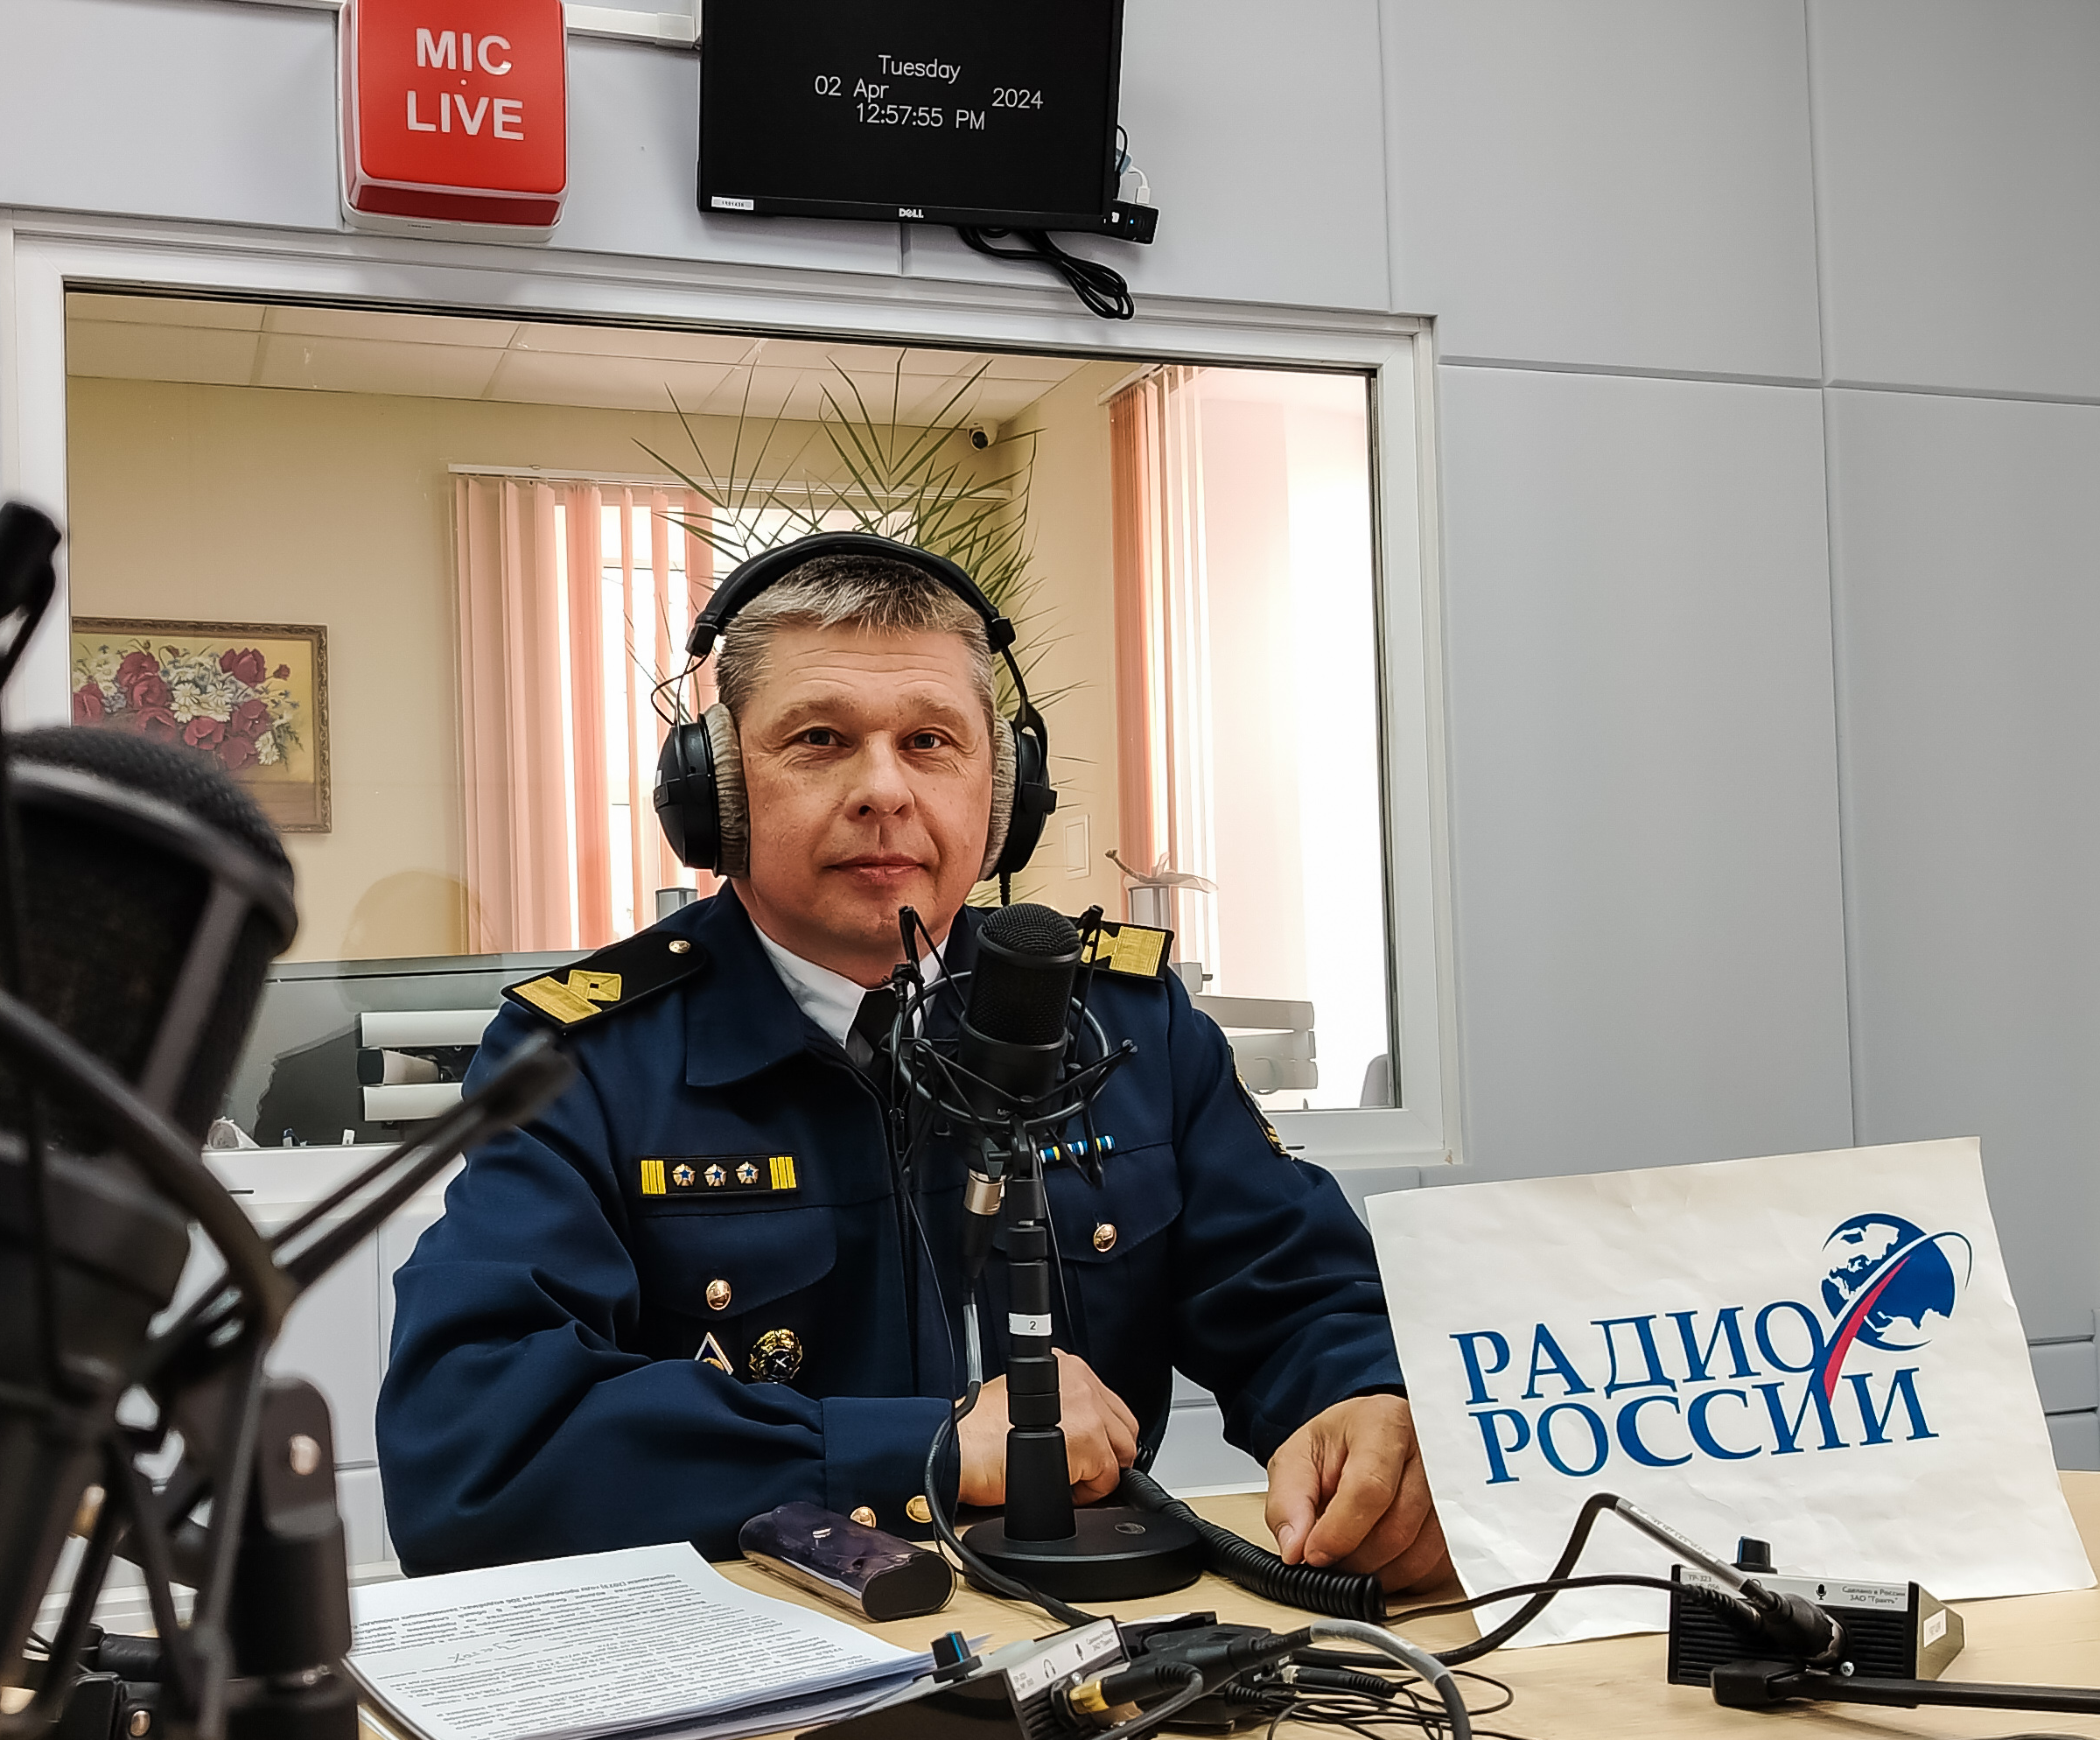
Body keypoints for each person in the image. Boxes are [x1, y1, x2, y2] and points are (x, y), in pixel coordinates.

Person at [375, 535, 1450, 1593]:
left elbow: (1299, 1293)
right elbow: (471, 1453)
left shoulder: (1122, 1024)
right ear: (717, 791)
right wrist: (920, 1450)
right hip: (772, 1660)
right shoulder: (588, 1058)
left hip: (1101, 1642)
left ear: (1003, 791)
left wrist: (1366, 1402)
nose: (883, 790)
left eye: (930, 741)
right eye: (819, 740)